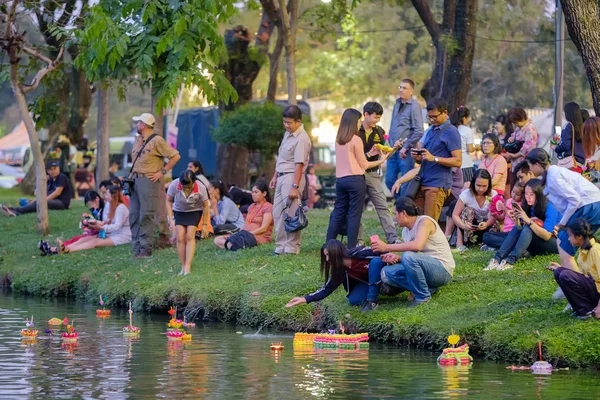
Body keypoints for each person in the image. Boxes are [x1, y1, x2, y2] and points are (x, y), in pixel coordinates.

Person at [371, 197, 455, 308]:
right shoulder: (406, 231)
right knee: (386, 273)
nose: (395, 217)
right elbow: (414, 259)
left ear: (403, 213)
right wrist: (397, 258)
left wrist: (386, 246)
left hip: (442, 270)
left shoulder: (425, 222)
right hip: (424, 267)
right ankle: (427, 288)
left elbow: (417, 246)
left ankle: (422, 297)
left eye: (396, 213)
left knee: (408, 256)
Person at [526, 148, 600, 272]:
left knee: (566, 248)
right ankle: (570, 276)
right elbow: (565, 204)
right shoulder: (550, 175)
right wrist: (561, 224)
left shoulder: (553, 176)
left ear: (537, 164)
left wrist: (562, 223)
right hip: (590, 205)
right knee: (562, 238)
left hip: (588, 206)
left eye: (530, 166)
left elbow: (575, 200)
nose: (530, 170)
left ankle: (575, 284)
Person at [326, 108, 389, 248]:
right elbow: (364, 165)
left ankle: (328, 244)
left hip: (341, 180)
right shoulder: (356, 139)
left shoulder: (339, 139)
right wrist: (381, 160)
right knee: (354, 214)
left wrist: (369, 153)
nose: (360, 123)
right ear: (353, 122)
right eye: (359, 120)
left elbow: (352, 159)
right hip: (355, 180)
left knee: (338, 212)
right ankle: (351, 247)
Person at [128, 113, 181, 258]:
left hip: (148, 181)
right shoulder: (138, 140)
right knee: (133, 214)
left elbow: (175, 156)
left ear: (143, 125)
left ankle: (145, 249)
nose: (137, 124)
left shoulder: (157, 140)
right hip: (134, 180)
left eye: (138, 122)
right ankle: (136, 247)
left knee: (146, 215)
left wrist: (161, 172)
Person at [285, 239, 385, 311]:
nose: (327, 259)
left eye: (329, 255)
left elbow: (384, 251)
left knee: (376, 262)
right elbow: (326, 289)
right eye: (326, 256)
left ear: (337, 252)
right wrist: (304, 299)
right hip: (366, 283)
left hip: (383, 277)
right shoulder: (339, 270)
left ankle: (372, 301)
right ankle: (376, 292)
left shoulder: (361, 254)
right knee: (354, 300)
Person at [484, 179, 560, 271]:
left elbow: (547, 236)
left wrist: (528, 220)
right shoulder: (528, 205)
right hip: (530, 239)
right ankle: (496, 259)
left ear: (539, 194)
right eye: (526, 194)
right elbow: (519, 228)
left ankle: (510, 260)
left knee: (528, 227)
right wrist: (517, 217)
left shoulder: (550, 207)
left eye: (531, 194)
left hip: (554, 243)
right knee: (517, 229)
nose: (528, 197)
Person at [410, 98, 462, 221]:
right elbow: (426, 157)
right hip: (422, 181)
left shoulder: (451, 132)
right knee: (416, 220)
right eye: (429, 117)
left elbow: (458, 161)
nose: (432, 120)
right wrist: (418, 158)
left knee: (429, 223)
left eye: (434, 116)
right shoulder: (431, 130)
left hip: (437, 184)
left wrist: (434, 159)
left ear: (445, 112)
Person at [269, 105, 312, 255]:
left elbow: (299, 165)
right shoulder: (287, 134)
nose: (286, 125)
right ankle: (280, 246)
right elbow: (282, 157)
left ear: (298, 121)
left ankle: (292, 247)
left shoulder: (302, 138)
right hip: (281, 176)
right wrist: (275, 176)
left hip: (292, 177)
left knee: (292, 213)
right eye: (284, 122)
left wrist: (295, 186)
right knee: (278, 213)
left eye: (289, 122)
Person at [356, 101, 399, 244]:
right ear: (366, 115)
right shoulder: (355, 130)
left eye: (379, 118)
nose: (377, 121)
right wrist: (368, 153)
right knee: (357, 208)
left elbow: (385, 154)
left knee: (382, 206)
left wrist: (394, 149)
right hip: (357, 174)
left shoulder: (379, 132)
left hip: (373, 173)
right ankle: (358, 239)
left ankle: (393, 239)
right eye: (375, 117)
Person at [44, 185, 131, 254]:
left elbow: (117, 226)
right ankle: (57, 250)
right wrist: (97, 223)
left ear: (113, 196)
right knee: (85, 239)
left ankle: (67, 250)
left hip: (122, 236)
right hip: (114, 233)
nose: (104, 196)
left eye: (107, 194)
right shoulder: (110, 205)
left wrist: (100, 227)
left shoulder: (121, 208)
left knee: (95, 242)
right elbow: (110, 221)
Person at [548, 218, 600, 319]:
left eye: (570, 235)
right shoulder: (583, 250)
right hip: (592, 288)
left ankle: (586, 310)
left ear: (579, 236)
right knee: (559, 272)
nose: (568, 239)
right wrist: (561, 269)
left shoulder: (595, 250)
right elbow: (582, 278)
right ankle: (583, 308)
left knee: (565, 274)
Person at [385, 78, 424, 198]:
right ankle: (401, 205)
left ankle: (403, 209)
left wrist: (406, 147)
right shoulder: (397, 103)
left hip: (405, 152)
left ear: (411, 91)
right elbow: (394, 126)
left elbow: (419, 131)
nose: (401, 90)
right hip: (392, 149)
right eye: (400, 87)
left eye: (404, 88)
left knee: (405, 182)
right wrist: (388, 144)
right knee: (389, 180)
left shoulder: (414, 107)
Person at [167, 170, 210, 276]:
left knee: (190, 237)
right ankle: (182, 266)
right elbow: (168, 201)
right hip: (179, 211)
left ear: (194, 182)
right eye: (184, 187)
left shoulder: (201, 187)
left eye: (189, 187)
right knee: (180, 238)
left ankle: (188, 266)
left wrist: (204, 225)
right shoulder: (174, 185)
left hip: (194, 211)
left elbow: (205, 206)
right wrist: (171, 219)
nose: (186, 189)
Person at [214, 180, 274, 251]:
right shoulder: (251, 206)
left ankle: (232, 245)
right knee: (217, 239)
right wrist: (240, 233)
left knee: (231, 241)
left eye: (256, 192)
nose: (253, 194)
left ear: (264, 193)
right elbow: (246, 224)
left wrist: (248, 234)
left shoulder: (268, 207)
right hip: (244, 234)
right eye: (252, 192)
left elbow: (263, 228)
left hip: (258, 236)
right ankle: (232, 245)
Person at [1, 160, 72, 217]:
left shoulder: (62, 177)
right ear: (47, 171)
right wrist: (43, 182)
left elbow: (57, 193)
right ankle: (12, 209)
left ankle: (16, 212)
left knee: (40, 203)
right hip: (54, 201)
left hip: (62, 203)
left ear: (58, 168)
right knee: (35, 202)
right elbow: (38, 193)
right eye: (51, 169)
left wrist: (41, 200)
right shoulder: (50, 180)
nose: (53, 171)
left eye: (55, 168)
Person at [451, 169, 499, 252]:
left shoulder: (493, 194)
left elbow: (494, 215)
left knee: (496, 219)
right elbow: (455, 215)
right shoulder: (466, 194)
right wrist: (463, 225)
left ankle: (487, 243)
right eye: (478, 185)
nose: (481, 189)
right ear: (473, 183)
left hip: (487, 225)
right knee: (467, 210)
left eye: (484, 186)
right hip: (470, 227)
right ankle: (462, 242)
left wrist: (487, 224)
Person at [482, 183, 524, 250]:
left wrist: (504, 208)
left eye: (517, 194)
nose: (514, 195)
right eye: (513, 191)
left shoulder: (521, 204)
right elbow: (502, 217)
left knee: (511, 239)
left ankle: (503, 246)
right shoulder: (508, 201)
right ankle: (509, 246)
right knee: (486, 236)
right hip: (504, 233)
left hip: (513, 233)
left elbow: (514, 217)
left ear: (522, 196)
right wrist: (495, 215)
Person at [503, 107, 538, 175]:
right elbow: (515, 135)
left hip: (524, 166)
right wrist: (512, 138)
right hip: (516, 164)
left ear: (522, 118)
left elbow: (528, 147)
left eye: (516, 122)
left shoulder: (529, 129)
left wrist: (514, 155)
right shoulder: (519, 127)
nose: (516, 124)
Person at [553, 102, 585, 171]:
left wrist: (555, 148)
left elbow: (565, 145)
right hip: (580, 164)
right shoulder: (582, 127)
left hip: (570, 164)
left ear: (568, 113)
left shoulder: (568, 126)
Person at [186, 160, 213, 239]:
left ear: (197, 168)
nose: (188, 169)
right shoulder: (201, 177)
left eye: (190, 167)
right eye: (188, 167)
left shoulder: (197, 180)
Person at [450, 106, 476, 183]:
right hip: (465, 164)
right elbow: (470, 149)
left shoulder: (450, 129)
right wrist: (476, 148)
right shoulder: (467, 130)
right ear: (464, 118)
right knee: (466, 187)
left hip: (452, 163)